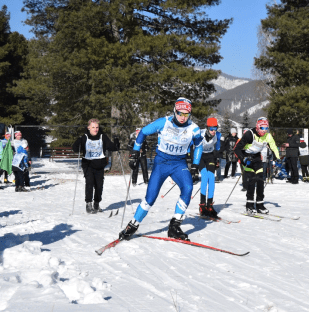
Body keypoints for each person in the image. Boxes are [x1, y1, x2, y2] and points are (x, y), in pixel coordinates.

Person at [119, 97, 203, 241]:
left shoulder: (193, 128)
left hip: (179, 164)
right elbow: (143, 132)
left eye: (186, 114)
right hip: (161, 163)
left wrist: (195, 166)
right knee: (150, 198)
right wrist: (134, 153)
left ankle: (174, 226)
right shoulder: (163, 122)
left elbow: (199, 145)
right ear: (174, 110)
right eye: (179, 113)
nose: (182, 117)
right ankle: (133, 225)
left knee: (188, 188)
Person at [72, 119, 119, 214]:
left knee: (99, 185)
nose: (95, 129)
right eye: (93, 127)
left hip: (99, 164)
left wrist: (116, 140)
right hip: (88, 164)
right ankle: (88, 203)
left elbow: (113, 147)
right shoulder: (84, 137)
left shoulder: (102, 137)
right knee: (89, 183)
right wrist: (78, 140)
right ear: (88, 127)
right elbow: (75, 149)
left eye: (97, 127)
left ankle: (96, 203)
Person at [234, 117, 280, 214]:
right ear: (257, 127)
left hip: (257, 157)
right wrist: (243, 159)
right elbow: (237, 149)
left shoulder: (267, 136)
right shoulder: (249, 134)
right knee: (251, 180)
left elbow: (273, 146)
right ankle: (249, 205)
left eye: (266, 128)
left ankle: (260, 205)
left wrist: (277, 157)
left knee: (260, 180)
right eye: (262, 128)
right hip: (246, 157)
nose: (264, 131)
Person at [198, 117, 222, 218]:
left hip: (210, 156)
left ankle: (210, 205)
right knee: (204, 176)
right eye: (212, 129)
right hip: (200, 157)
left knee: (211, 178)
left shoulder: (217, 135)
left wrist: (217, 160)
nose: (213, 131)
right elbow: (192, 145)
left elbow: (218, 148)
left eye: (215, 129)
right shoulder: (200, 134)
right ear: (207, 128)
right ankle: (202, 206)